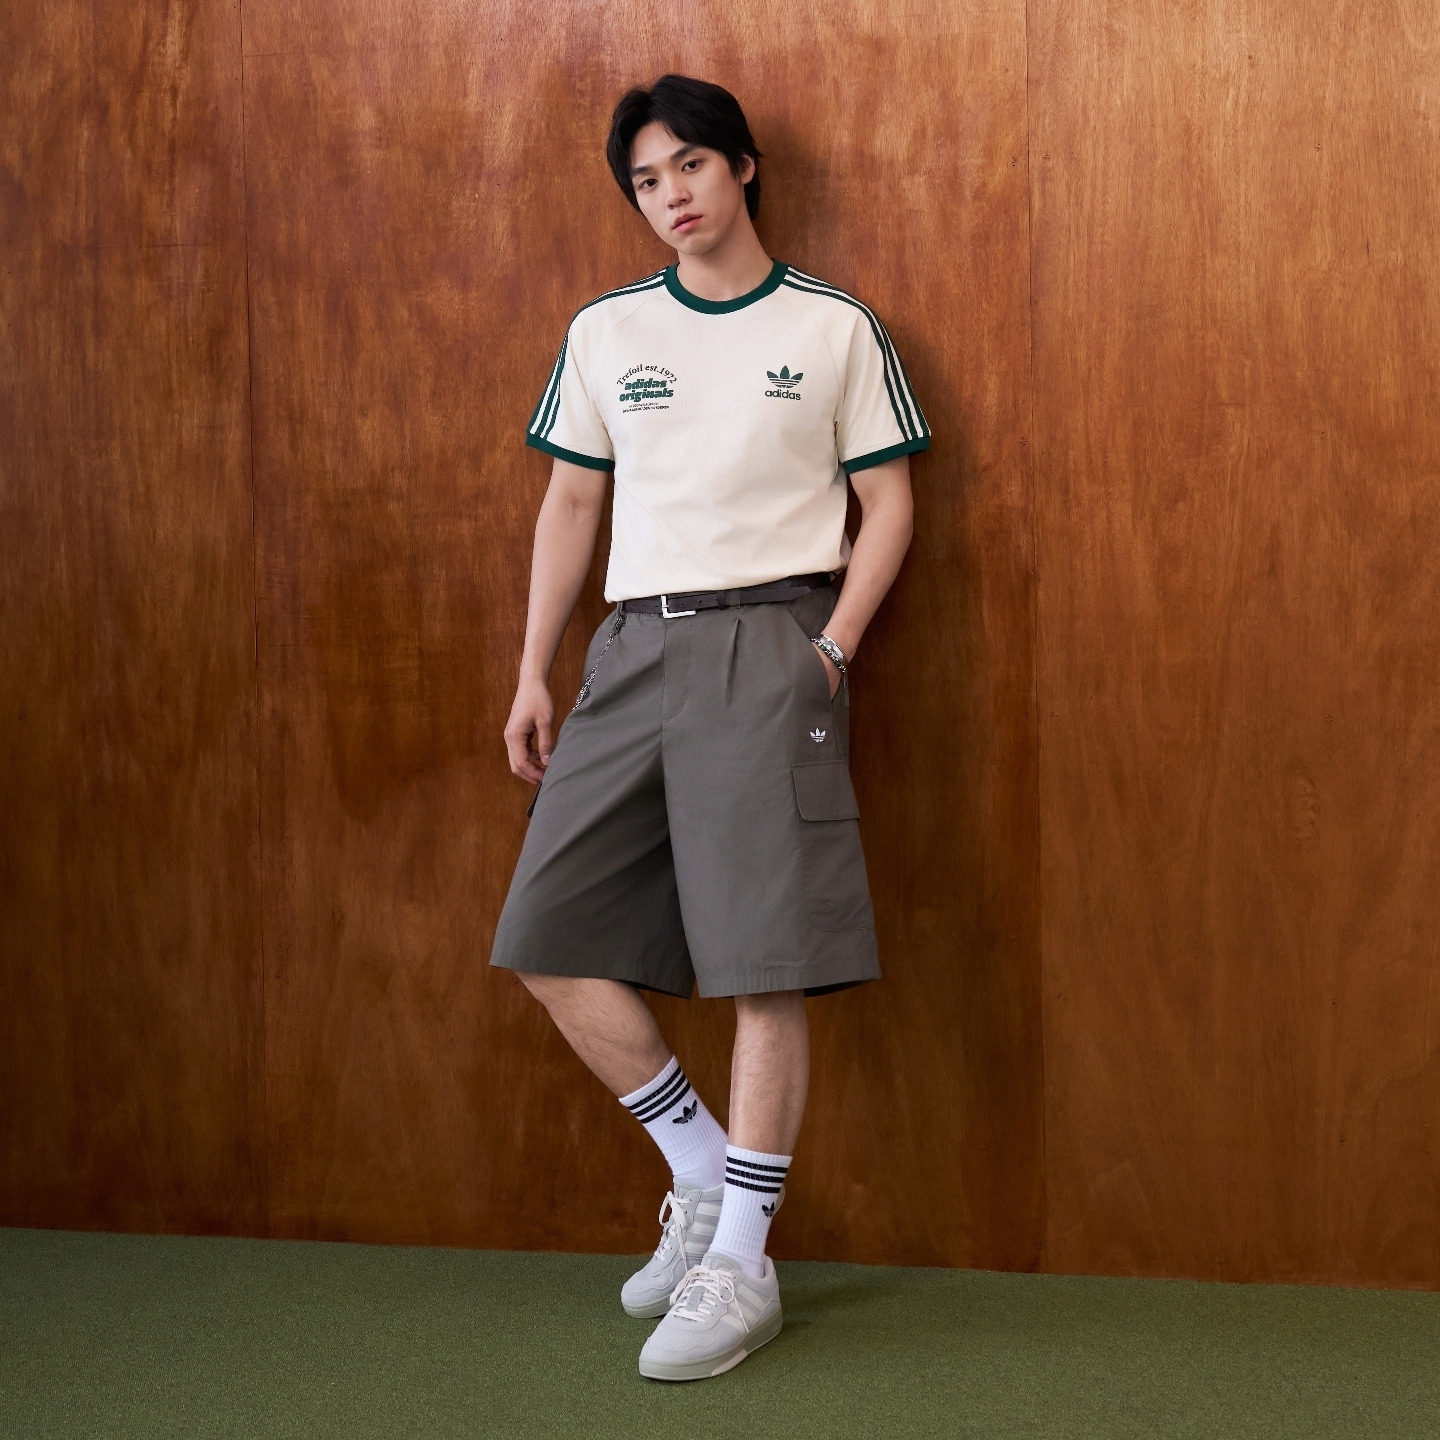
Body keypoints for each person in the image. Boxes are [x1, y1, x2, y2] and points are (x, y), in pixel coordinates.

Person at [489, 72, 929, 1381]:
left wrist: (831, 649)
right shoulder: (606, 330)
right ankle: (698, 1170)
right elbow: (572, 505)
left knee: (760, 961)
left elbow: (890, 506)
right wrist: (533, 671)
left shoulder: (835, 327)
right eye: (645, 180)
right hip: (631, 648)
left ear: (741, 167)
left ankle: (742, 1259)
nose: (670, 195)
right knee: (546, 937)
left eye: (688, 165)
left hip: (772, 639)